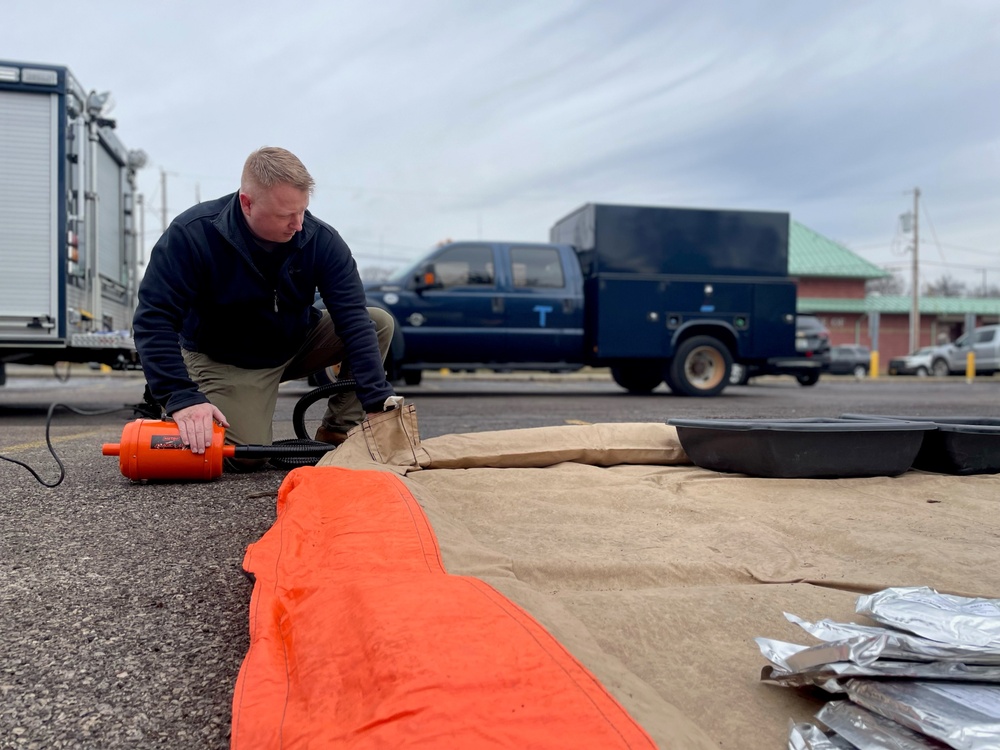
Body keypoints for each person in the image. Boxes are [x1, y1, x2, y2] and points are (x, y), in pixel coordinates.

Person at [133, 146, 397, 469]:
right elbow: (153, 318)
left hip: (294, 342)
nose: (298, 224)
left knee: (379, 322)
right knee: (243, 456)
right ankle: (192, 404)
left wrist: (376, 403)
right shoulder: (193, 236)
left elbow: (353, 320)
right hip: (226, 358)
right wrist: (180, 396)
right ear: (247, 203)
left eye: (303, 211)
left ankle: (339, 431)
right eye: (286, 214)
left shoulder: (320, 240)